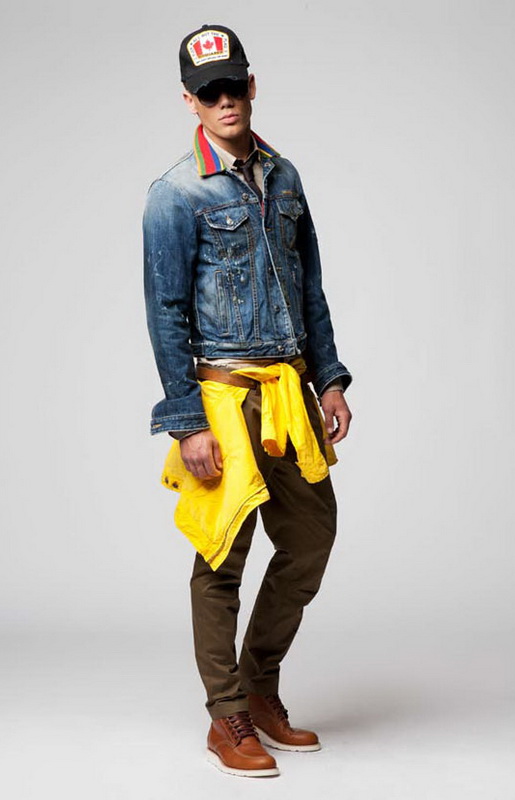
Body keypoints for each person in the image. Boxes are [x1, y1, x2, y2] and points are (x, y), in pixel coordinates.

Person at [143, 23, 353, 778]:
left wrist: (328, 378)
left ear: (251, 85)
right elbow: (165, 312)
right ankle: (226, 715)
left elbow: (310, 287)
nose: (225, 101)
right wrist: (187, 421)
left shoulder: (285, 176)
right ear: (190, 102)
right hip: (225, 399)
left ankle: (260, 687)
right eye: (209, 93)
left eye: (233, 86)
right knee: (221, 554)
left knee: (311, 537)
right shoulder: (174, 195)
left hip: (290, 391)